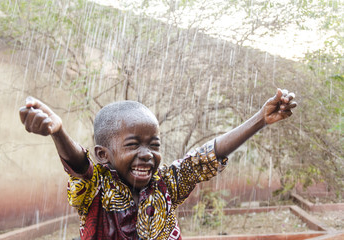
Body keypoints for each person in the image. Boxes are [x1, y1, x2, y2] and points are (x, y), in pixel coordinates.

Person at [19, 88, 297, 239]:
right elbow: (80, 167)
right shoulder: (96, 187)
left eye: (154, 144)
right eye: (133, 144)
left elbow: (204, 156)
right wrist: (58, 132)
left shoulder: (166, 184)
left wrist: (260, 120)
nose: (147, 154)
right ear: (104, 155)